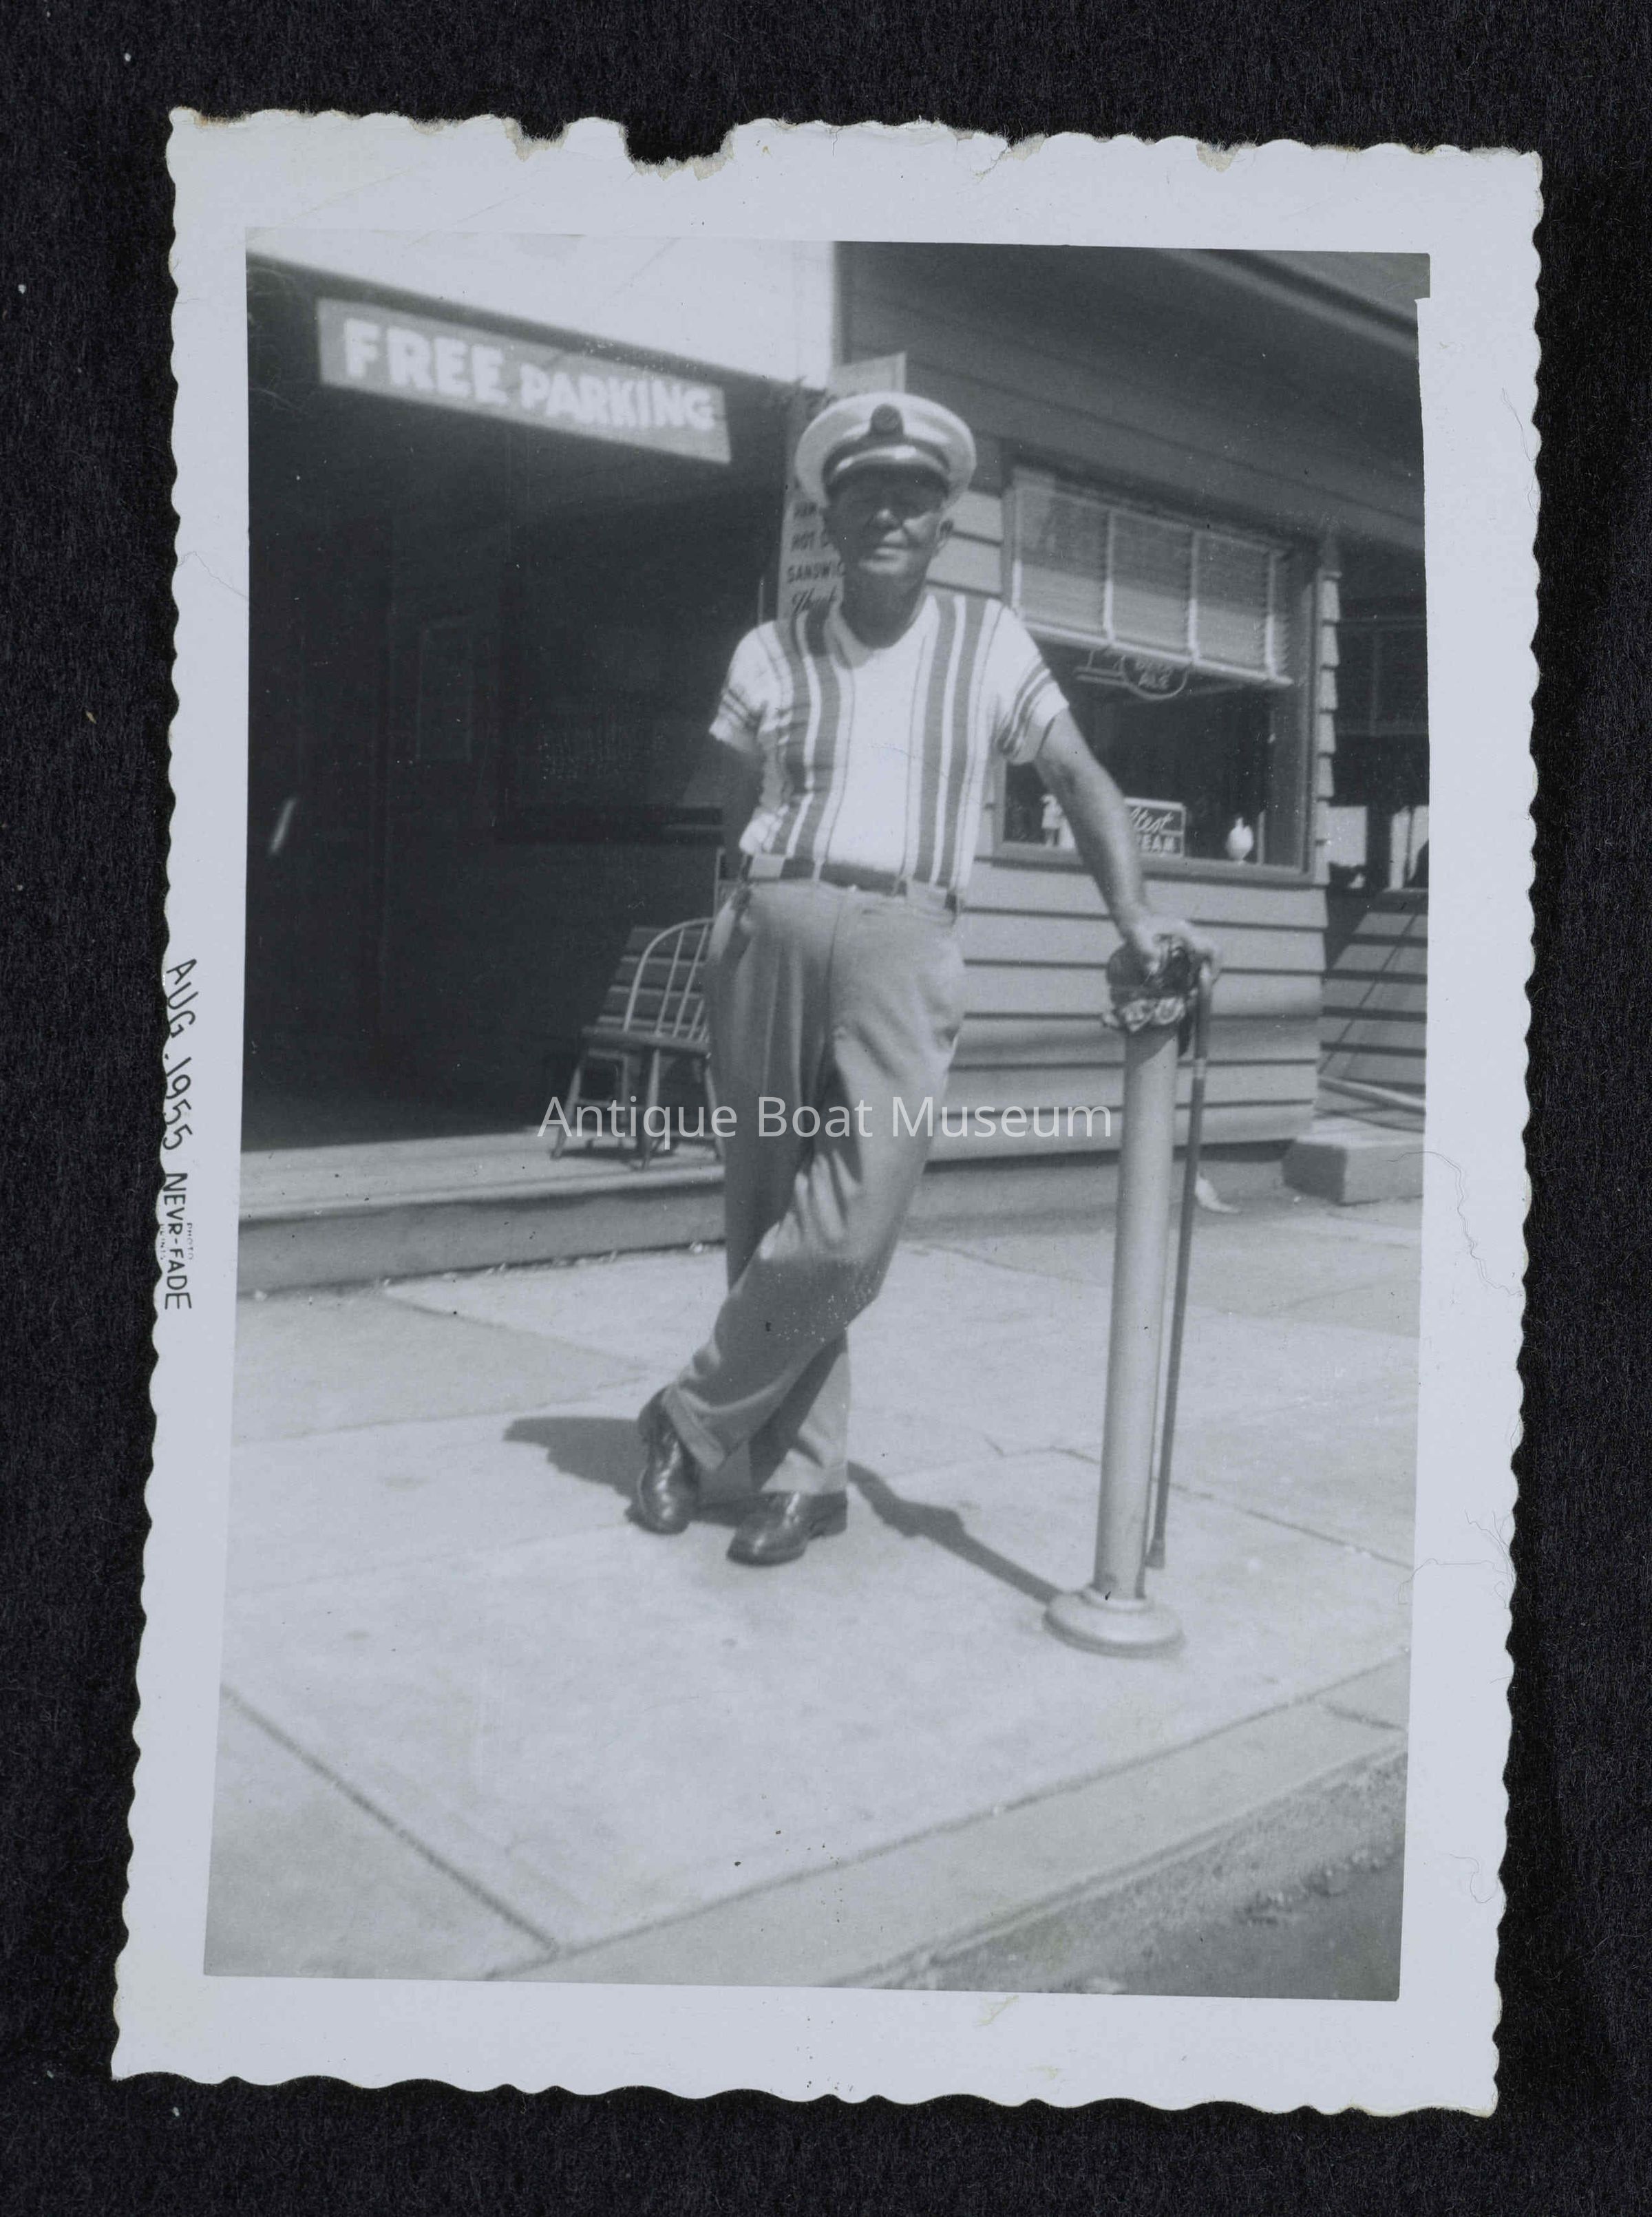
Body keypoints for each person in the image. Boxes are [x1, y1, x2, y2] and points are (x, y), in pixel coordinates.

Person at [634, 392, 1220, 1567]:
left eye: (913, 495)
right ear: (830, 515)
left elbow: (1077, 774)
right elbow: (728, 807)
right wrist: (739, 917)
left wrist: (1134, 909)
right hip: (770, 920)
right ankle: (803, 1480)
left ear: (946, 520)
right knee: (768, 1212)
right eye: (864, 494)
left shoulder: (989, 642)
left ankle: (687, 1419)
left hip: (908, 938)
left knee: (848, 1228)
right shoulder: (769, 649)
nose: (889, 514)